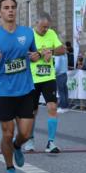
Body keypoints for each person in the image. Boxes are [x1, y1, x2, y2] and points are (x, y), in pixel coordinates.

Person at [0, 0, 40, 173]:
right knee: (7, 133)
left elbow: (34, 56)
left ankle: (17, 146)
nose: (10, 10)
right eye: (6, 8)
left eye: (13, 7)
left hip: (25, 89)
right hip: (4, 91)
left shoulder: (27, 33)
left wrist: (36, 56)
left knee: (24, 133)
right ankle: (9, 168)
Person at [21, 12, 65, 153]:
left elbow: (62, 49)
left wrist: (50, 51)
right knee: (32, 111)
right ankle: (30, 140)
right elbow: (21, 54)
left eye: (47, 27)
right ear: (36, 24)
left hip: (48, 77)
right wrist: (34, 56)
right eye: (43, 27)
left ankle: (51, 143)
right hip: (32, 78)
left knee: (52, 107)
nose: (45, 30)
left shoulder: (51, 33)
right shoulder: (28, 35)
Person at [54, 46, 70, 113]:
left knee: (61, 91)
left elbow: (57, 66)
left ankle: (62, 107)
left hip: (59, 74)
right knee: (64, 90)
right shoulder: (65, 55)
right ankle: (66, 106)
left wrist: (54, 73)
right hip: (65, 73)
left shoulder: (58, 56)